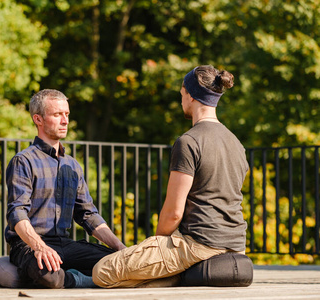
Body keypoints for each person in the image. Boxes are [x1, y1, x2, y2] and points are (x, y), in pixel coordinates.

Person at [93, 65, 249, 288]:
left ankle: (177, 276)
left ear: (192, 96)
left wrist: (157, 243)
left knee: (103, 271)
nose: (181, 100)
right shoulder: (237, 144)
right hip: (236, 245)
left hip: (197, 245)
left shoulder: (189, 141)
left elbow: (173, 213)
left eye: (182, 94)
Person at [5, 89, 126, 289]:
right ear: (38, 119)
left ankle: (69, 275)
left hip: (64, 245)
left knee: (121, 262)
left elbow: (88, 215)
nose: (65, 121)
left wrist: (121, 248)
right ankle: (78, 279)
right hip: (28, 244)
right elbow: (17, 213)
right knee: (48, 275)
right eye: (57, 114)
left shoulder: (72, 166)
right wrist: (39, 247)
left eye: (67, 114)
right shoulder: (24, 161)